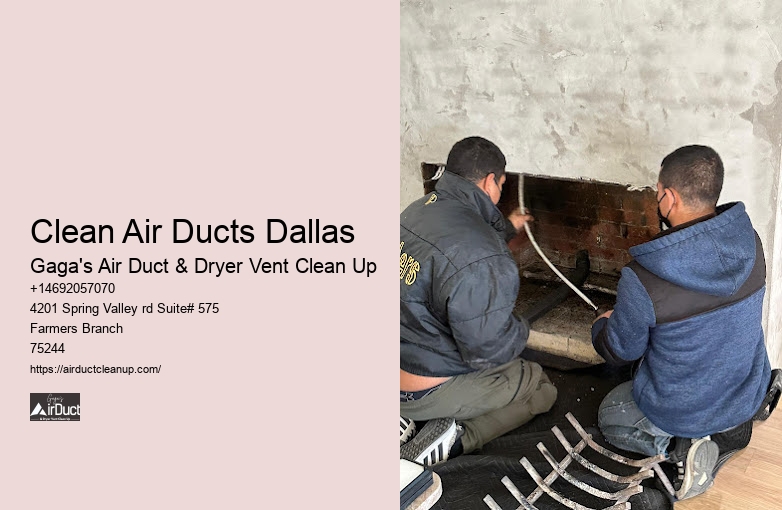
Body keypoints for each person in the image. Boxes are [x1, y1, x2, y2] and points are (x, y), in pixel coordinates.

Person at [591, 145, 771, 501]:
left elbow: (622, 352)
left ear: (669, 197)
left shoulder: (644, 278)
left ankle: (681, 447)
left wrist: (602, 325)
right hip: (745, 391)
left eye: (658, 191)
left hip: (682, 408)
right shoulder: (751, 242)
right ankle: (730, 430)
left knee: (610, 414)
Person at [399, 136, 558, 466]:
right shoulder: (482, 256)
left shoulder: (416, 211)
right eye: (501, 184)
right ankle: (455, 439)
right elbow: (485, 351)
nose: (500, 192)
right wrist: (519, 330)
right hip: (421, 390)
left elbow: (452, 251)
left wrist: (505, 230)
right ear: (490, 181)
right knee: (538, 385)